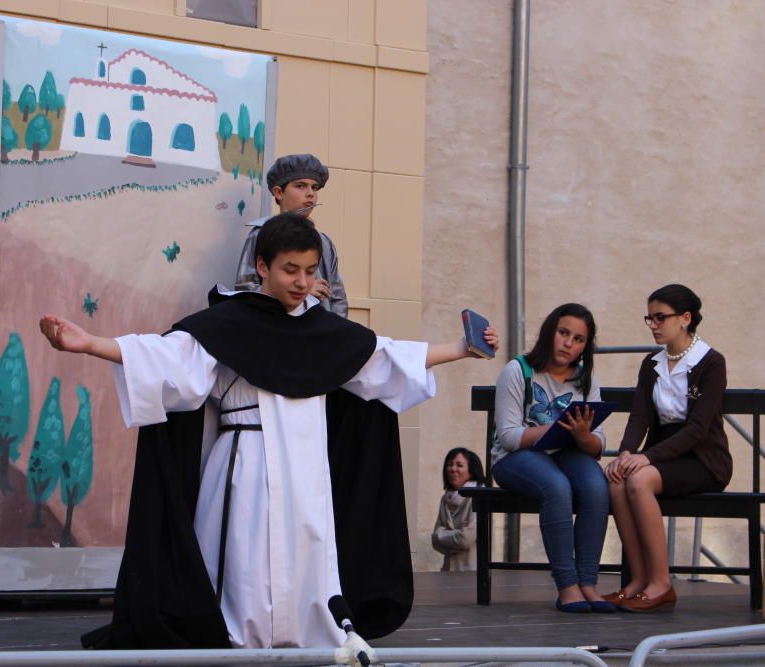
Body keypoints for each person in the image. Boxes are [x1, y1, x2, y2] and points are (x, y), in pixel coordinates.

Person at [39, 213, 498, 649]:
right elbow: (167, 357)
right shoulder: (228, 323)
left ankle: (304, 628)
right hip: (246, 460)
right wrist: (90, 345)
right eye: (290, 270)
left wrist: (460, 348)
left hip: (307, 466)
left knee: (307, 548)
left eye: (310, 271)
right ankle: (239, 632)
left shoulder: (325, 331)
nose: (301, 282)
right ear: (262, 267)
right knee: (247, 556)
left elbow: (386, 358)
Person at [603, 284, 731, 613]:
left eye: (660, 317)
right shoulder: (652, 364)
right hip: (661, 458)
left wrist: (646, 457)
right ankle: (637, 581)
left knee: (638, 479)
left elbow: (698, 429)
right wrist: (626, 454)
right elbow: (639, 416)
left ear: (685, 318)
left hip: (703, 459)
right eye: (650, 318)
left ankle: (661, 583)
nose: (654, 325)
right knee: (618, 478)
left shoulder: (711, 363)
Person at [491, 303, 613, 613]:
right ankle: (567, 586)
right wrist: (554, 428)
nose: (569, 343)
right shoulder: (519, 371)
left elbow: (598, 444)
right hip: (516, 457)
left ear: (586, 346)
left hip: (566, 453)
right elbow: (508, 436)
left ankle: (588, 582)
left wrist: (584, 435)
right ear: (550, 332)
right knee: (556, 486)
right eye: (563, 333)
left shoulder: (586, 379)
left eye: (579, 339)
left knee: (596, 485)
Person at [235, 153, 348, 316]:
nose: (310, 193)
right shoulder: (261, 234)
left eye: (314, 187)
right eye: (300, 186)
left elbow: (338, 298)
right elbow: (244, 291)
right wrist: (302, 294)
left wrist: (336, 334)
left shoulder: (324, 242)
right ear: (279, 192)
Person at [431, 447, 485, 571]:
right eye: (449, 465)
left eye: (459, 465)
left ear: (471, 471)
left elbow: (466, 539)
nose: (452, 469)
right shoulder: (445, 499)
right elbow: (434, 541)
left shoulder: (478, 497)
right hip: (448, 571)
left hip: (471, 573)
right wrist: (456, 538)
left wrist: (442, 536)